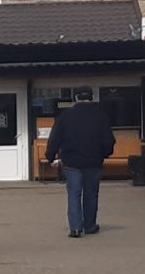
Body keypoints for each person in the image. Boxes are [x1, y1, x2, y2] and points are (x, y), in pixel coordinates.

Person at [47, 91, 116, 237]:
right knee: (91, 195)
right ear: (91, 98)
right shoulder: (100, 116)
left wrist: (50, 156)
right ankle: (90, 226)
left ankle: (76, 228)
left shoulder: (65, 116)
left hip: (72, 162)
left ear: (76, 98)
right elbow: (109, 140)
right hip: (93, 162)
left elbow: (55, 138)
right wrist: (105, 154)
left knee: (74, 194)